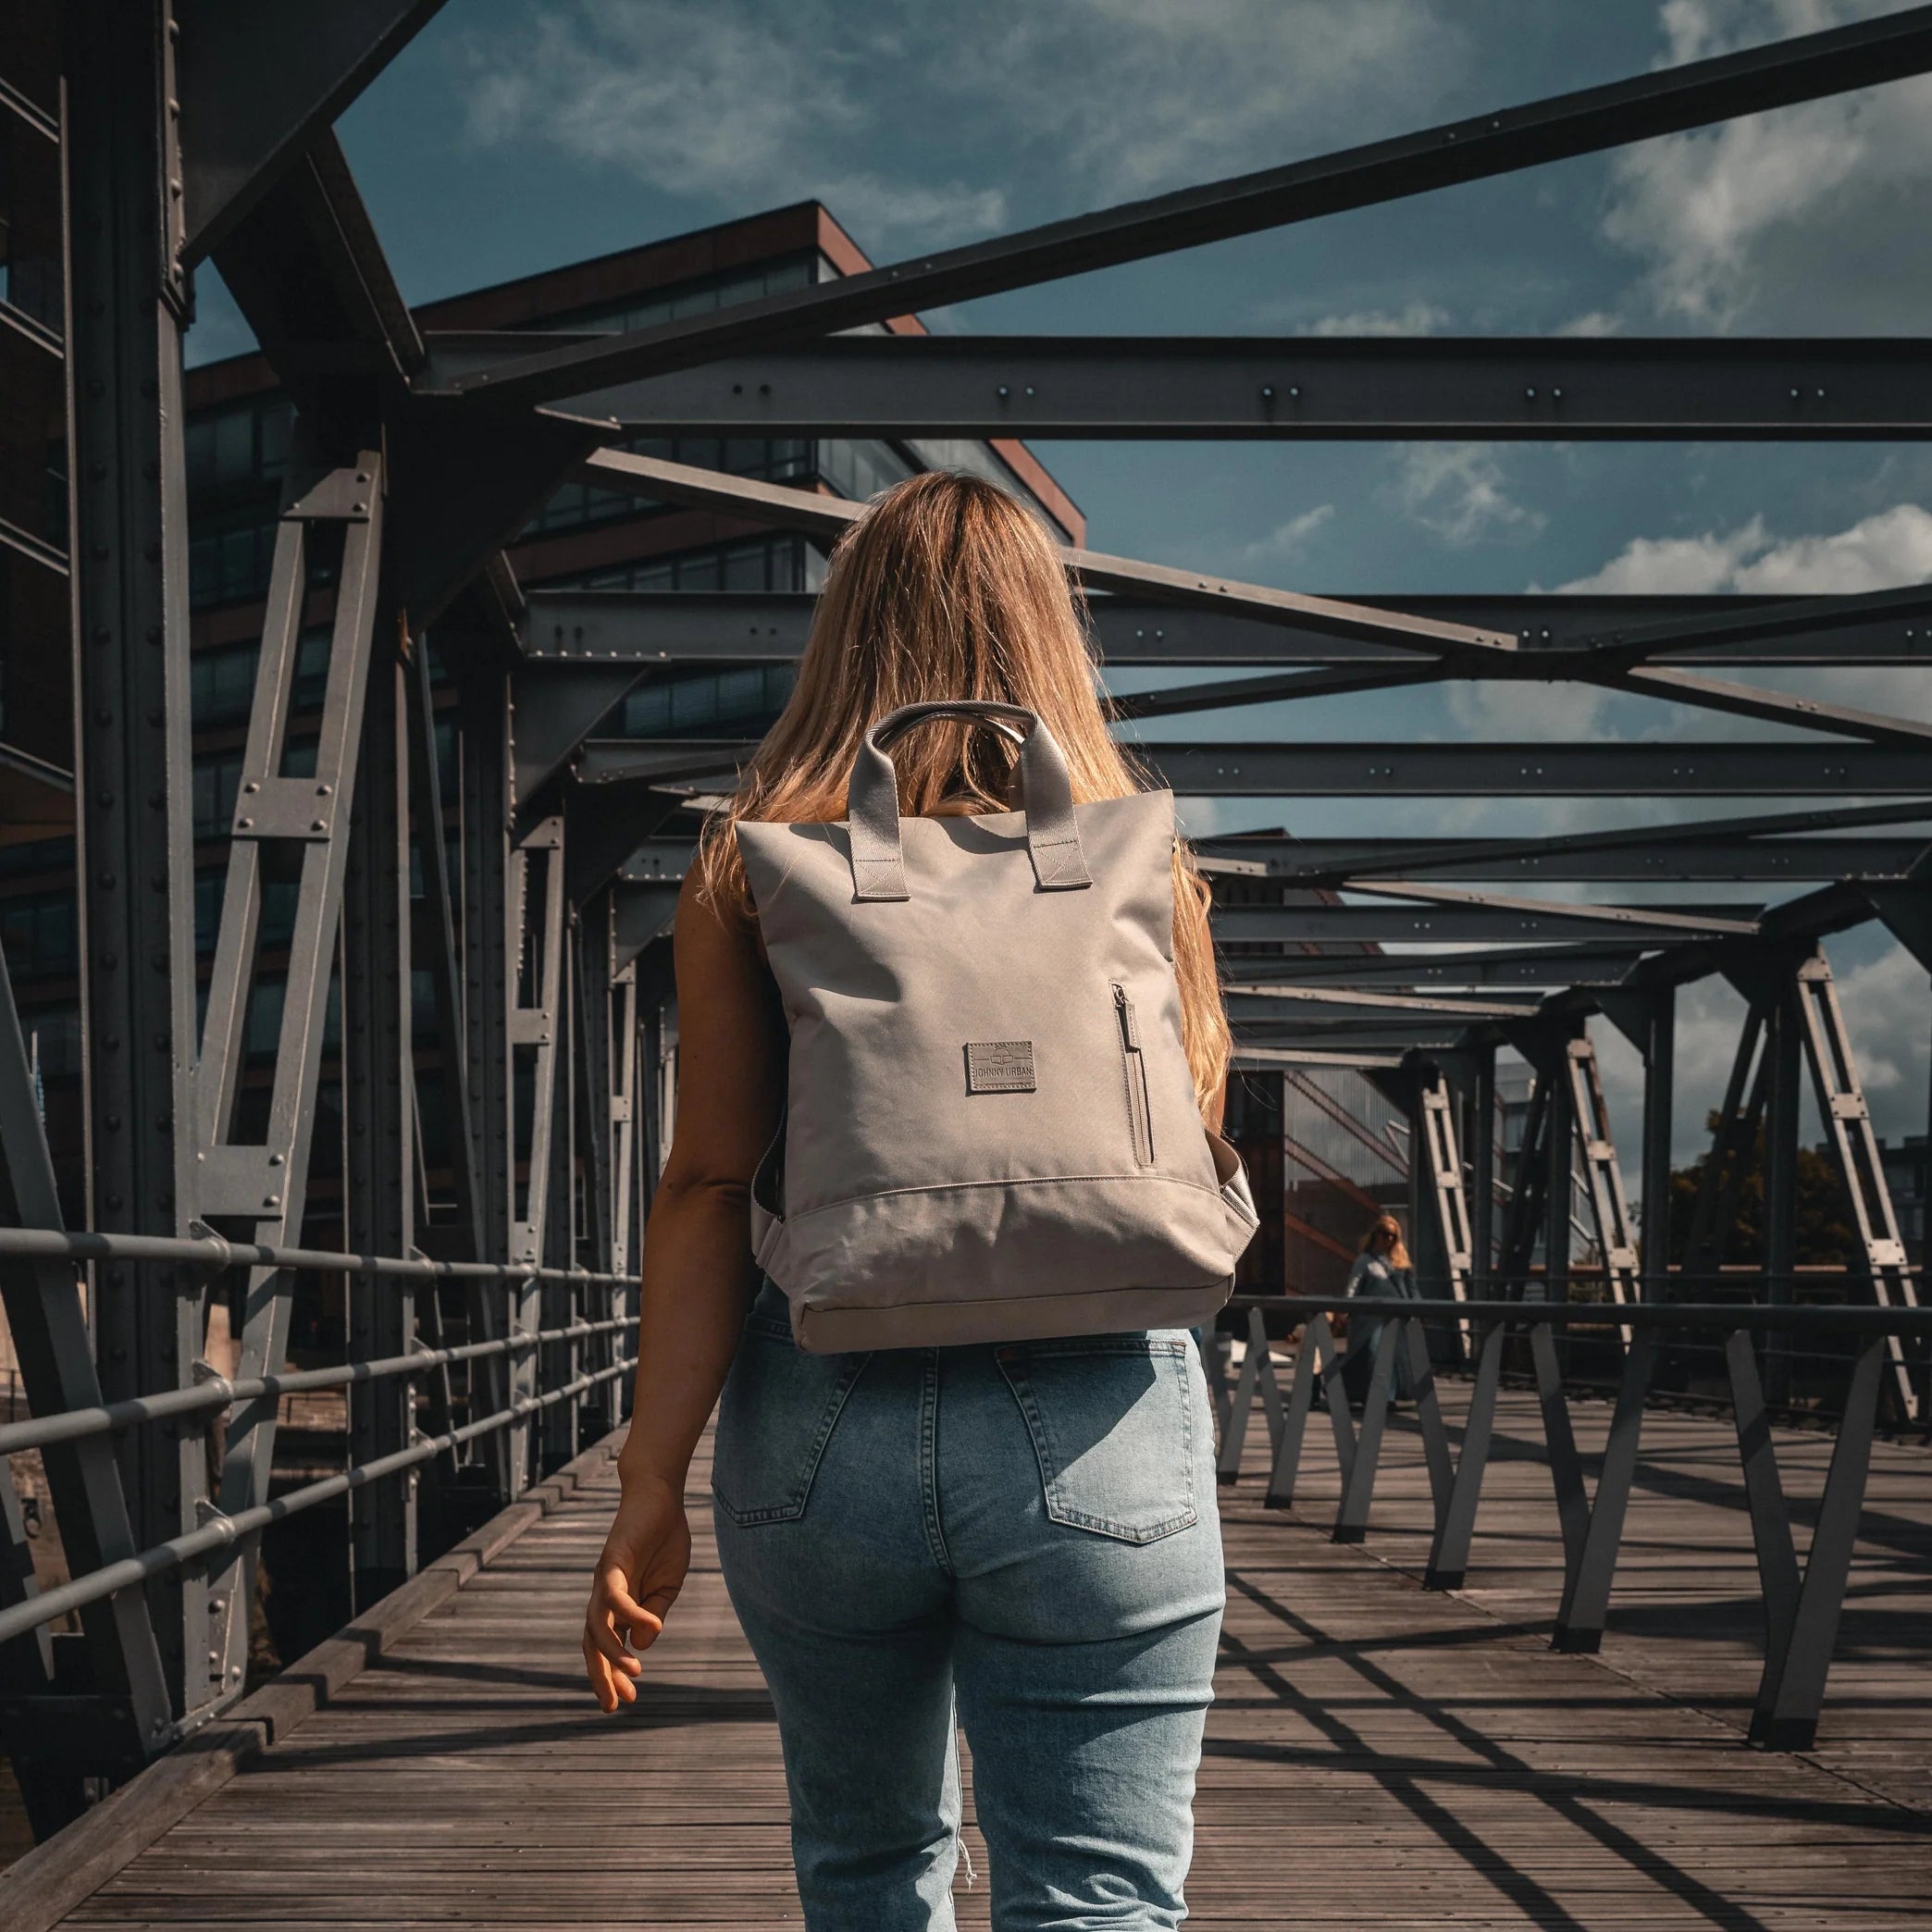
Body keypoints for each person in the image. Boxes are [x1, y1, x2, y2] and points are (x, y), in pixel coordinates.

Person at [581, 470, 1235, 1932]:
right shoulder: (1143, 862)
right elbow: (1174, 1154)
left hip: (818, 1429)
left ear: (843, 637)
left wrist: (649, 1483)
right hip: (1101, 1431)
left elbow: (701, 1186)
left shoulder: (755, 867)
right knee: (1101, 1901)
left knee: (872, 1874)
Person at [1342, 1212, 1418, 1405]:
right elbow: (1353, 1284)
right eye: (1385, 1233)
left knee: (1393, 1355)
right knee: (1371, 1354)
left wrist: (1416, 1310)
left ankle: (1389, 1396)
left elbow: (1411, 1289)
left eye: (1393, 1235)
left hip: (1395, 1316)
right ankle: (1371, 1395)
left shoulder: (1400, 1263)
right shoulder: (1365, 1261)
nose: (1389, 1239)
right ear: (1376, 1234)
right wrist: (1346, 1307)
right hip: (1369, 1318)